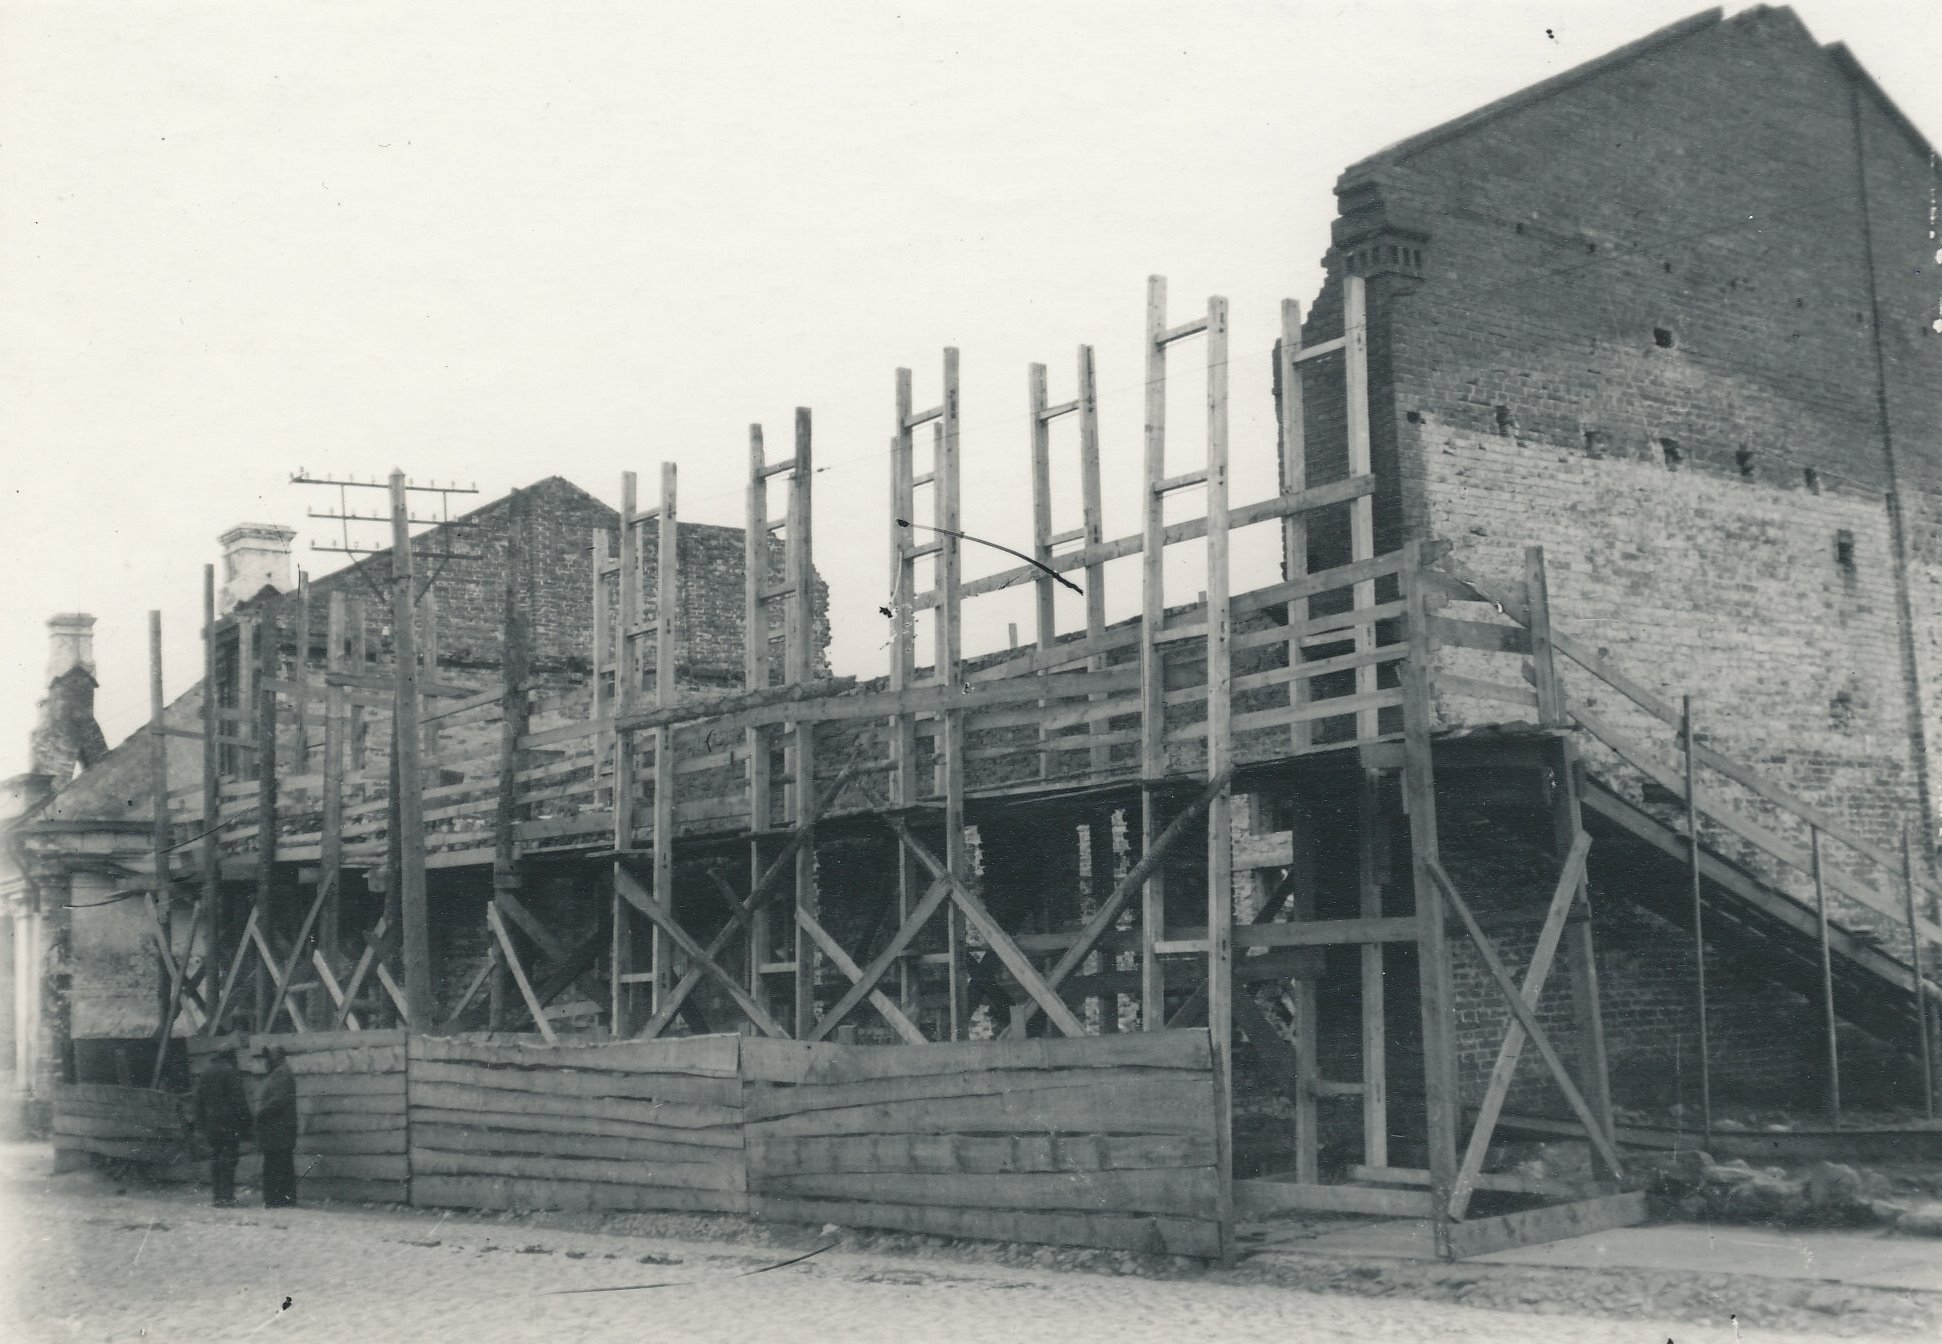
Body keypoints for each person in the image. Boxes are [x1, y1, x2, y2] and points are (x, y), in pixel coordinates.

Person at [192, 1046, 251, 1207]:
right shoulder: (230, 1072)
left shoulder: (206, 1073)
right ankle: (227, 1197)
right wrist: (247, 1123)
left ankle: (217, 1196)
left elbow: (198, 1101)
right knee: (229, 1159)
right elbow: (239, 1103)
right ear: (231, 1057)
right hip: (229, 1125)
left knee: (216, 1158)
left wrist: (201, 1125)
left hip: (211, 1126)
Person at [255, 1045, 299, 1208]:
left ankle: (276, 1200)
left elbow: (278, 1100)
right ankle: (282, 1199)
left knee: (276, 1165)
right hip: (279, 1130)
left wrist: (261, 1113)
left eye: (270, 1058)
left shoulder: (281, 1074)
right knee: (280, 1164)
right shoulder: (280, 1073)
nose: (267, 1062)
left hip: (279, 1130)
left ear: (278, 1058)